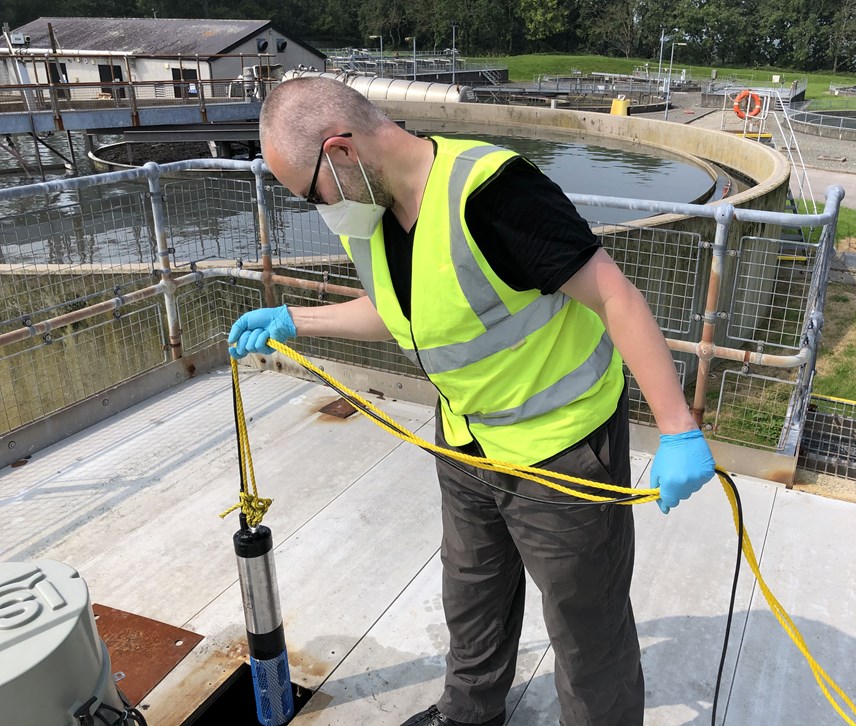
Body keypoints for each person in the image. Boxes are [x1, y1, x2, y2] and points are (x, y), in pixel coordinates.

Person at [228, 76, 716, 726]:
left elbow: (614, 295)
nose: (316, 208)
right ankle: (469, 714)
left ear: (342, 152)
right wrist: (297, 320)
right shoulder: (369, 219)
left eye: (309, 192)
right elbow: (400, 309)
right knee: (472, 594)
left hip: (561, 452)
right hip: (464, 440)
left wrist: (678, 427)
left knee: (584, 629)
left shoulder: (490, 194)